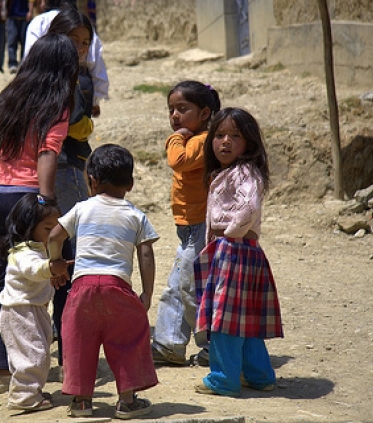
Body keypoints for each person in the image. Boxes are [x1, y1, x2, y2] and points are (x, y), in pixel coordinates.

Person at [0, 33, 79, 394]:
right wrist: (47, 203)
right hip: (27, 199)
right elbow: (47, 153)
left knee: (5, 284)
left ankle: (1, 369)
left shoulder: (7, 98)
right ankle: (72, 364)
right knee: (62, 275)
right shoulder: (56, 104)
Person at [49, 144, 159, 420]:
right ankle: (127, 401)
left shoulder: (81, 209)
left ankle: (82, 402)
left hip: (82, 288)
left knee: (79, 342)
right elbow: (146, 253)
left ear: (92, 181)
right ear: (131, 184)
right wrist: (146, 292)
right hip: (118, 288)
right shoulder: (135, 215)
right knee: (128, 340)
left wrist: (56, 264)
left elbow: (54, 237)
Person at [193, 107, 284, 397]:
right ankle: (259, 376)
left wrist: (229, 235)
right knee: (246, 318)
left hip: (234, 250)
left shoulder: (243, 172)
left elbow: (248, 208)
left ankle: (223, 379)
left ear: (249, 144)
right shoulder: (233, 173)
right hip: (245, 251)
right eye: (219, 135)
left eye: (235, 136)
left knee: (223, 319)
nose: (225, 142)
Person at [151, 80, 221, 367]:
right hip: (188, 227)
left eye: (183, 109)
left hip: (201, 227)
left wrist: (175, 137)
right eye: (171, 110)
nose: (175, 116)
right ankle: (169, 344)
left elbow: (177, 160)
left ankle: (212, 347)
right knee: (178, 286)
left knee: (190, 288)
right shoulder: (196, 138)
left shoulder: (202, 141)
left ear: (204, 113)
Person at [45, 8, 94, 378]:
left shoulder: (40, 78)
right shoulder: (70, 80)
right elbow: (76, 120)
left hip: (48, 172)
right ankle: (69, 353)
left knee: (52, 256)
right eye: (74, 40)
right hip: (66, 173)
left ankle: (59, 346)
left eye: (85, 43)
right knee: (70, 258)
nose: (79, 48)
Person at [0, 193, 71, 412]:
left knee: (37, 351)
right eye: (48, 229)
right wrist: (50, 269)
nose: (53, 234)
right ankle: (24, 397)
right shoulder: (23, 252)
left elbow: (38, 273)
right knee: (32, 354)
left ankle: (32, 390)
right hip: (20, 312)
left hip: (33, 309)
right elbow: (33, 269)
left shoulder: (38, 249)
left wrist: (51, 274)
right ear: (28, 227)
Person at [24, 0, 108, 118]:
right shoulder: (83, 24)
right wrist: (95, 100)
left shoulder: (39, 22)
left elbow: (29, 59)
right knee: (78, 134)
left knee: (50, 133)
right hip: (81, 85)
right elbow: (95, 63)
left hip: (46, 84)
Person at [6, 0, 35, 74]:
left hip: (24, 16)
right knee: (11, 40)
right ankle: (12, 63)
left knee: (24, 41)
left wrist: (30, 11)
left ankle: (23, 64)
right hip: (11, 16)